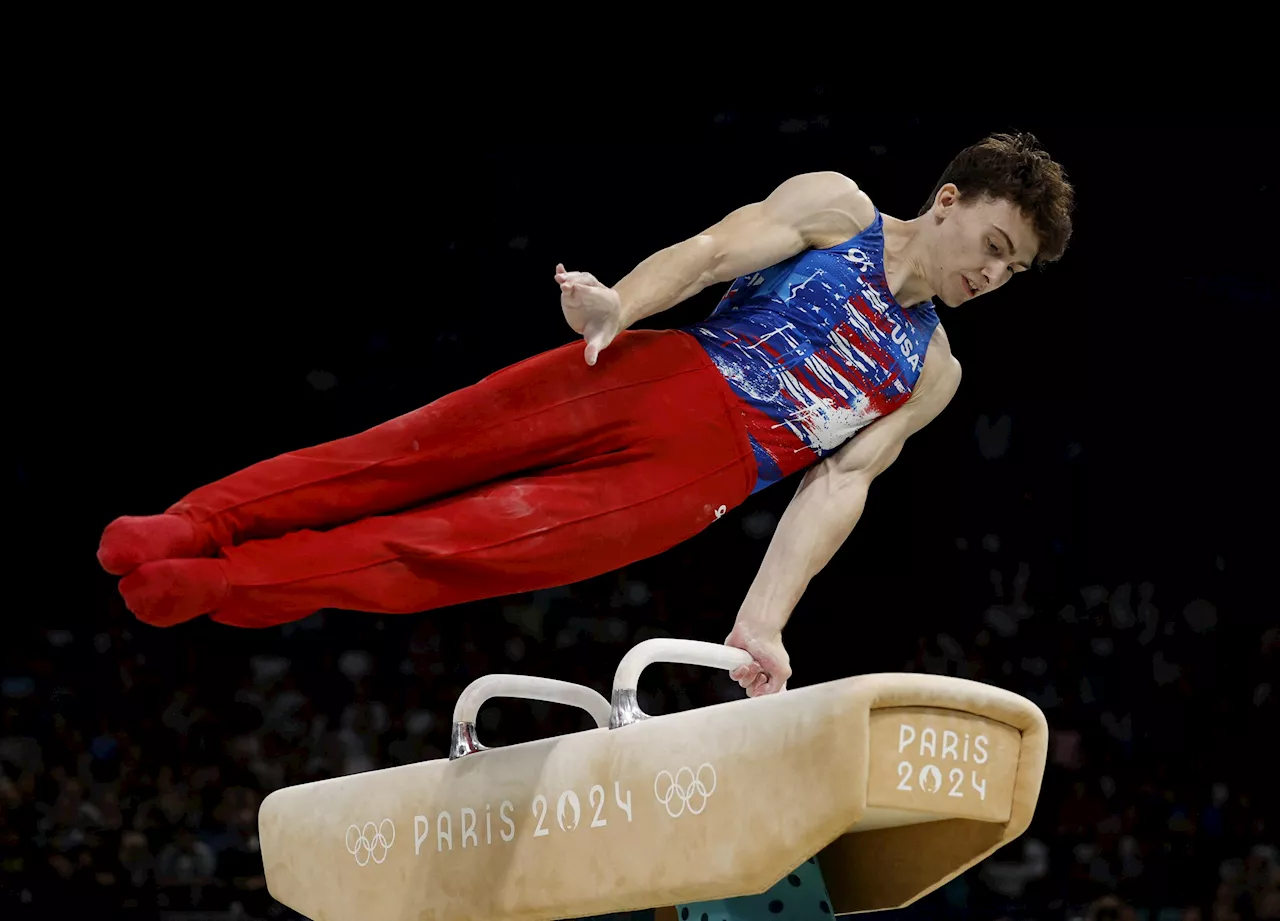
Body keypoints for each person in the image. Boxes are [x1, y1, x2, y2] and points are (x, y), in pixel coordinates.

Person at [97, 131, 1074, 697]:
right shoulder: (835, 209)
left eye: (1011, 267)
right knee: (396, 455)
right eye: (991, 242)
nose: (990, 273)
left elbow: (838, 486)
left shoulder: (929, 371)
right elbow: (709, 252)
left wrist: (759, 625)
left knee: (445, 550)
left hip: (690, 487)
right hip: (655, 370)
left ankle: (213, 581)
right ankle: (189, 524)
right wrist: (621, 306)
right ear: (945, 202)